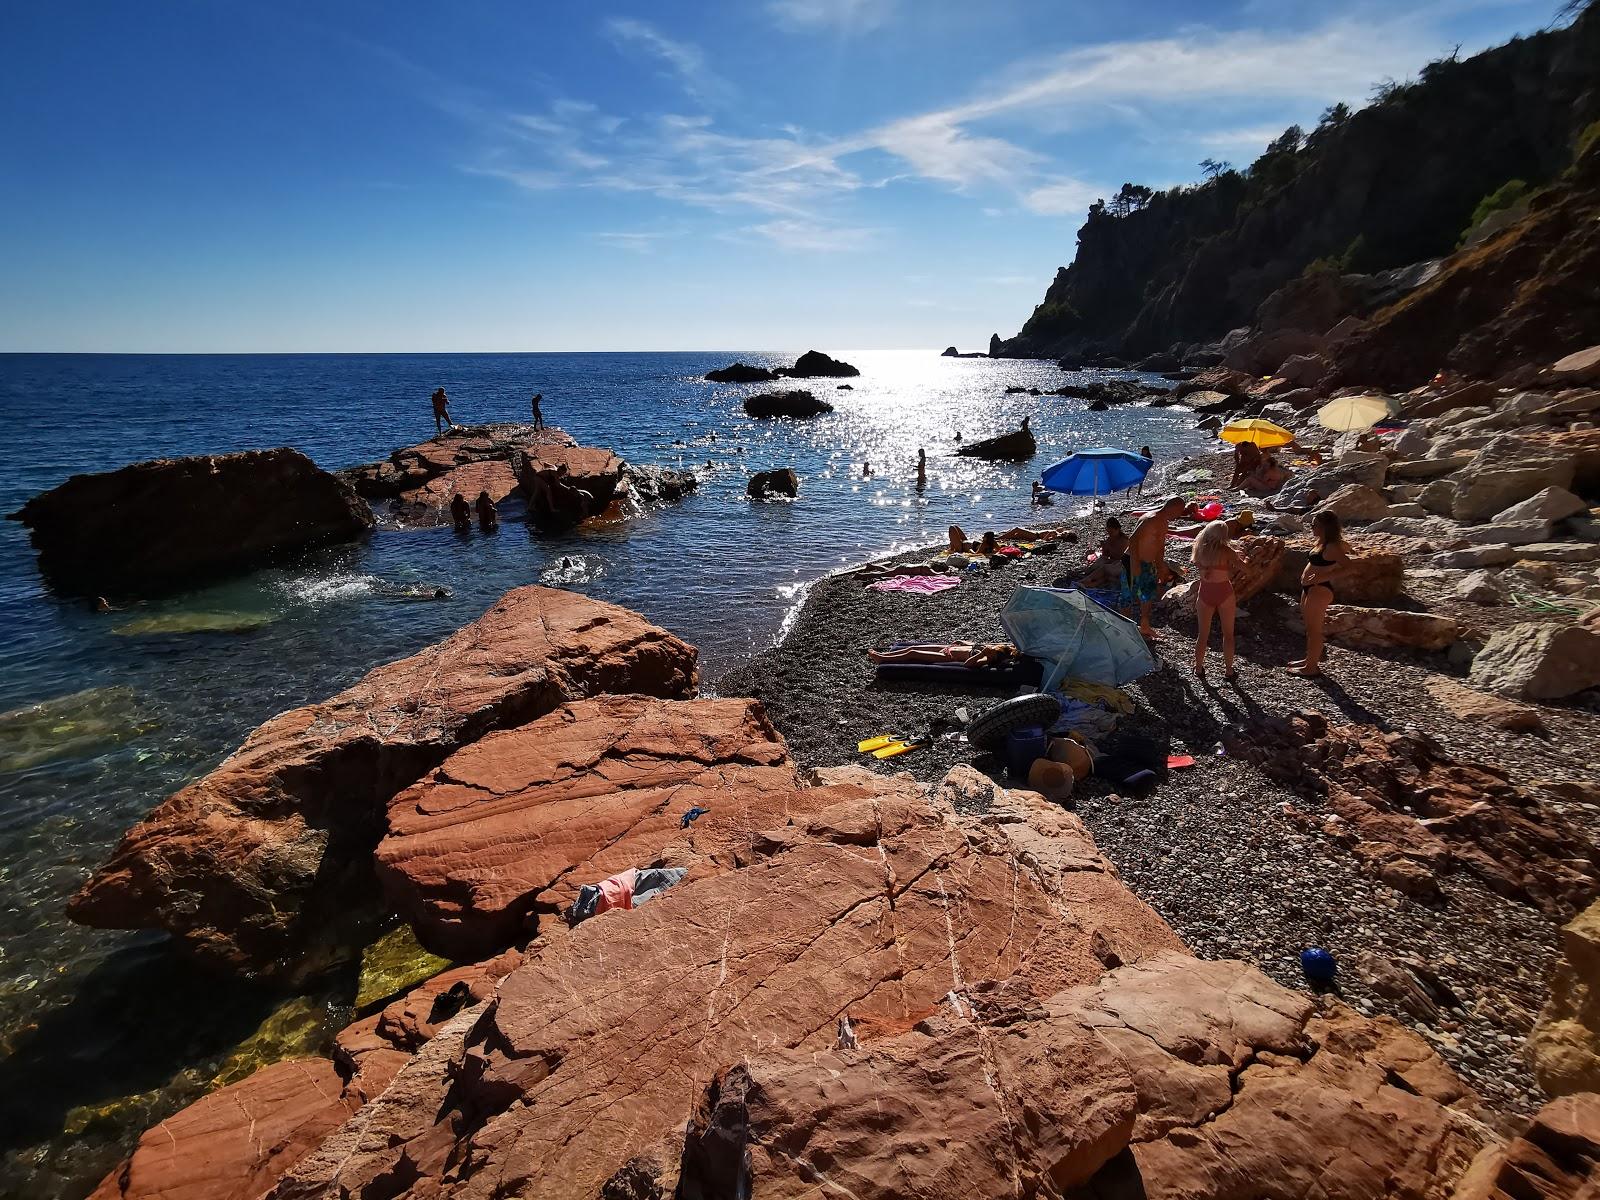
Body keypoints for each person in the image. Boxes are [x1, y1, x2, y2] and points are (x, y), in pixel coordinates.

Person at [1289, 509, 1351, 677]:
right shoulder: (1321, 542)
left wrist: (1325, 575)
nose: (1311, 527)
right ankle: (1309, 660)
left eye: (1314, 525)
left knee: (1315, 630)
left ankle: (1312, 667)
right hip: (1309, 587)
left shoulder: (1332, 546)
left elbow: (1349, 567)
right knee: (1309, 628)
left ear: (1324, 527)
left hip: (1320, 588)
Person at [1121, 497, 1186, 638]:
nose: (1180, 514)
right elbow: (1132, 539)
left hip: (1148, 563)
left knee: (1148, 594)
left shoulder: (1163, 522)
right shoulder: (1150, 519)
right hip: (1133, 560)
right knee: (1129, 593)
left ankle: (1144, 626)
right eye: (1180, 511)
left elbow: (1159, 545)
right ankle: (1124, 627)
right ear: (1173, 508)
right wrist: (1135, 564)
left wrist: (1160, 565)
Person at [1190, 520, 1243, 681]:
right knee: (1228, 634)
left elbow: (1200, 566)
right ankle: (1228, 670)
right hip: (1224, 592)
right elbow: (1246, 569)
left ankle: (1198, 668)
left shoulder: (1199, 549)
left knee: (1203, 634)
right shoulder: (1227, 551)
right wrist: (1242, 559)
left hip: (1205, 592)